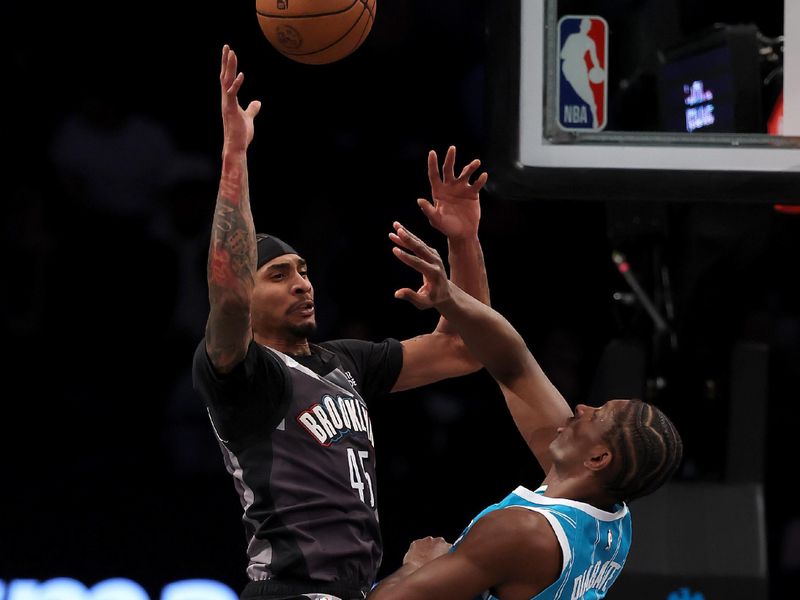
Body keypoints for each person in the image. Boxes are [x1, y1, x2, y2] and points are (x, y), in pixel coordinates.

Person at [192, 45, 490, 600]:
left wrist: (463, 240)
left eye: (303, 271)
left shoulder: (343, 362)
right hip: (289, 592)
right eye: (278, 275)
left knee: (442, 561)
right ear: (246, 293)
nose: (303, 283)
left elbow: (464, 350)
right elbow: (227, 298)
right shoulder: (244, 375)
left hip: (349, 591)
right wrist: (236, 153)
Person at [367, 224, 684, 600]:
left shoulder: (522, 532)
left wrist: (418, 565)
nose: (581, 408)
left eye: (596, 415)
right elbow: (512, 364)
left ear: (598, 457)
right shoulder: (611, 516)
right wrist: (457, 266)